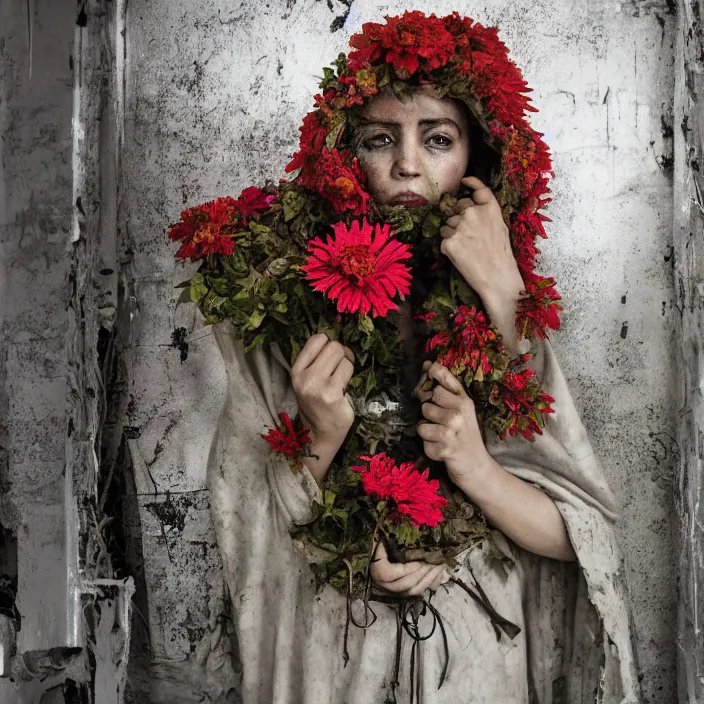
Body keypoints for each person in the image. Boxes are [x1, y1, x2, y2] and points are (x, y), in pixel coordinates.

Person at [201, 12, 639, 704]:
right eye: (381, 140)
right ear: (346, 158)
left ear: (477, 161)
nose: (408, 164)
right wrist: (320, 438)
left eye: (438, 139)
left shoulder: (507, 314)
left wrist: (476, 466)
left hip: (478, 663)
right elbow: (245, 523)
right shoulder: (292, 312)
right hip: (339, 657)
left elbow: (581, 536)